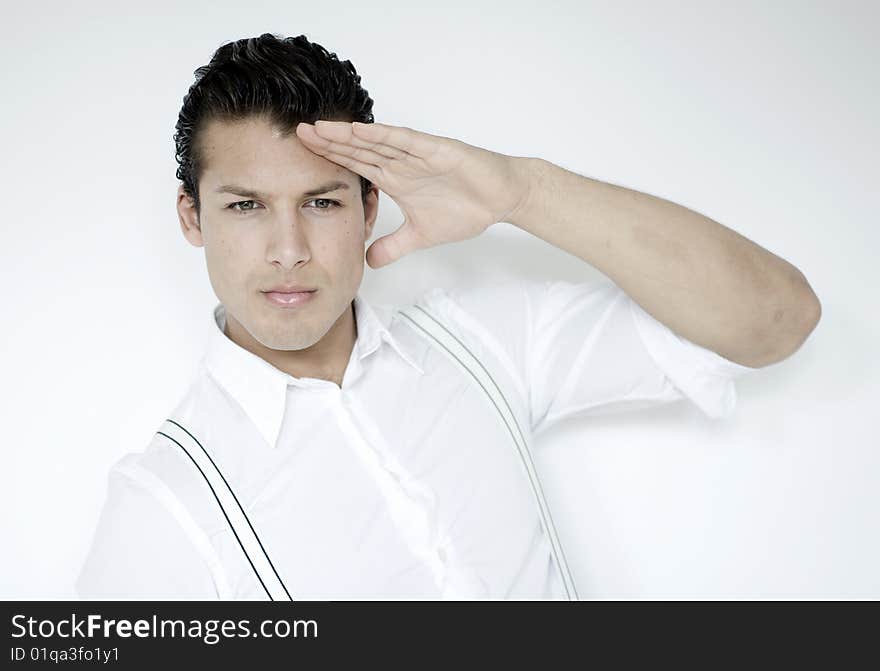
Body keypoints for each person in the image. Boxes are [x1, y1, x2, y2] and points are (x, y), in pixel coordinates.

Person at [75, 32, 821, 600]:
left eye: (323, 201)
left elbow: (778, 318)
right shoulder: (161, 504)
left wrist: (519, 191)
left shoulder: (478, 343)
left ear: (370, 206)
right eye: (246, 206)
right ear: (192, 216)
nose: (289, 250)